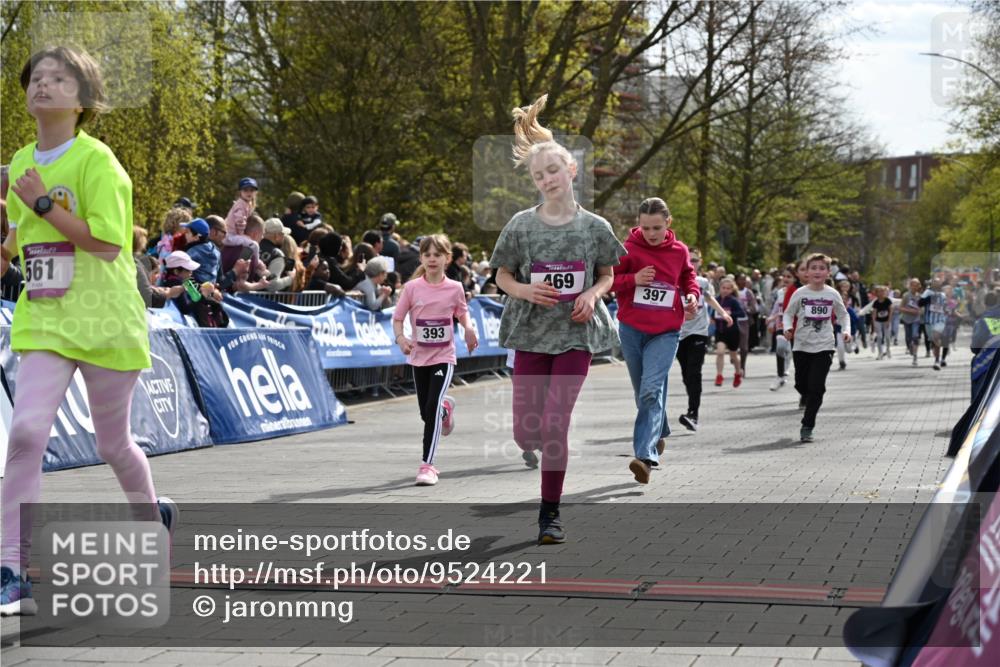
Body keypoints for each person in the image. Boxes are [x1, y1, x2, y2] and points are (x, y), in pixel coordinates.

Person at [0, 46, 177, 616]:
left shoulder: (98, 163)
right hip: (45, 320)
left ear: (84, 101)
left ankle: (153, 518)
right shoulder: (21, 160)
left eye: (59, 78)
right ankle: (10, 568)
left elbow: (106, 243)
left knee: (112, 445)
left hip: (105, 322)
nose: (43, 85)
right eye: (36, 78)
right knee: (25, 433)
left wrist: (44, 203)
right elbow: (18, 243)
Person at [489, 94, 625, 545]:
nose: (546, 179)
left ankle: (550, 513)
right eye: (537, 174)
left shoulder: (596, 227)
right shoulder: (521, 226)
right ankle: (530, 445)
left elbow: (608, 276)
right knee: (527, 429)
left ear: (571, 171)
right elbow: (502, 275)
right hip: (529, 332)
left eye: (553, 170)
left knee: (555, 424)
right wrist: (525, 289)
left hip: (575, 335)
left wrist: (591, 291)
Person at [611, 197, 699, 483]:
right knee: (644, 393)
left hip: (665, 331)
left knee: (650, 391)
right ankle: (659, 431)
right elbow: (608, 281)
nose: (650, 234)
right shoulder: (626, 249)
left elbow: (688, 277)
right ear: (638, 224)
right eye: (645, 227)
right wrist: (633, 279)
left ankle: (645, 456)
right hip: (632, 329)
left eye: (657, 228)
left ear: (668, 224)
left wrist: (692, 296)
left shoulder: (679, 251)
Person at [393, 235, 478, 486]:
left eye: (437, 255)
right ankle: (445, 411)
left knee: (430, 408)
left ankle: (427, 465)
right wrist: (401, 339)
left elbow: (462, 313)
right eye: (427, 254)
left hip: (444, 356)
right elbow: (398, 318)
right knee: (426, 412)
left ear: (447, 259)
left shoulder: (454, 287)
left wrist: (469, 329)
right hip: (419, 357)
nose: (432, 259)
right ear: (421, 258)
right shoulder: (411, 288)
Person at [783, 253, 851, 442]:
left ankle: (807, 425)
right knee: (801, 384)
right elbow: (788, 314)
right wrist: (788, 327)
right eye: (813, 268)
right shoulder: (800, 293)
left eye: (822, 268)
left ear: (828, 272)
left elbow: (843, 315)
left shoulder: (832, 294)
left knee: (817, 387)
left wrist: (846, 330)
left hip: (824, 346)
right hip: (801, 345)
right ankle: (807, 395)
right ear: (807, 272)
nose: (817, 271)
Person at [677, 250, 731, 429]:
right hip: (678, 333)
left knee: (694, 372)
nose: (691, 263)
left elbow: (709, 298)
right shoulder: (673, 279)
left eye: (695, 260)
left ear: (700, 262)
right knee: (686, 375)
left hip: (699, 332)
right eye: (688, 259)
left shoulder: (702, 282)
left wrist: (722, 312)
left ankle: (693, 414)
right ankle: (692, 409)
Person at [767, 264, 799, 391]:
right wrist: (771, 320)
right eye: (784, 276)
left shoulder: (798, 292)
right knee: (780, 347)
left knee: (795, 352)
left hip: (795, 326)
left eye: (789, 277)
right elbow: (777, 307)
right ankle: (780, 376)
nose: (785, 279)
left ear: (795, 278)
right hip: (781, 324)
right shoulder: (780, 292)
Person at [222, 177, 261, 274]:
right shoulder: (240, 205)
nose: (248, 193)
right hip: (230, 236)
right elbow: (240, 222)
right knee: (254, 245)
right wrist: (242, 234)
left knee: (250, 243)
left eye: (251, 190)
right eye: (245, 190)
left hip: (232, 235)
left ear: (255, 192)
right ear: (240, 192)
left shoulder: (246, 203)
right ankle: (256, 266)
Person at [713, 278, 745, 387]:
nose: (725, 290)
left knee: (733, 356)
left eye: (728, 288)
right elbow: (712, 313)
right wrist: (712, 318)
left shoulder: (733, 301)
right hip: (720, 331)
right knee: (720, 352)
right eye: (723, 288)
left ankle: (737, 373)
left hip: (732, 332)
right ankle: (719, 375)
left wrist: (731, 313)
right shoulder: (716, 300)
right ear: (720, 288)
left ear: (732, 290)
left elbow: (742, 313)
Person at [180, 217, 220, 286]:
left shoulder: (191, 252)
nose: (185, 234)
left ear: (197, 237)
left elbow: (184, 277)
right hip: (210, 290)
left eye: (187, 232)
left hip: (194, 292)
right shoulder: (216, 250)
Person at [921, 278, 948, 371]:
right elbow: (919, 303)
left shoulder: (943, 295)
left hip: (940, 320)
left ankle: (937, 361)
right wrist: (930, 298)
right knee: (933, 341)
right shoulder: (927, 292)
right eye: (935, 282)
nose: (937, 284)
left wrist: (948, 309)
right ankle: (936, 355)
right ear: (931, 284)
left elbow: (945, 307)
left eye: (938, 282)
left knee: (936, 337)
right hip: (929, 321)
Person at [899, 278, 924, 367]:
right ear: (910, 286)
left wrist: (920, 311)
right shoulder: (906, 295)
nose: (915, 287)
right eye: (913, 285)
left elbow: (921, 309)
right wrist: (910, 311)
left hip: (916, 320)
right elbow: (900, 308)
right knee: (908, 338)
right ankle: (910, 348)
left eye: (917, 285)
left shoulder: (920, 297)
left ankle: (915, 357)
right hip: (906, 319)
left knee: (915, 336)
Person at [871, 285, 893, 360]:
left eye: (883, 291)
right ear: (877, 293)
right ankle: (880, 352)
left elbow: (891, 311)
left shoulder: (888, 301)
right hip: (878, 321)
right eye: (880, 292)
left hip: (886, 320)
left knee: (887, 337)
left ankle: (888, 349)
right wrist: (874, 324)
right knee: (879, 337)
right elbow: (874, 313)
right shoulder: (876, 302)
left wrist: (889, 321)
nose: (882, 293)